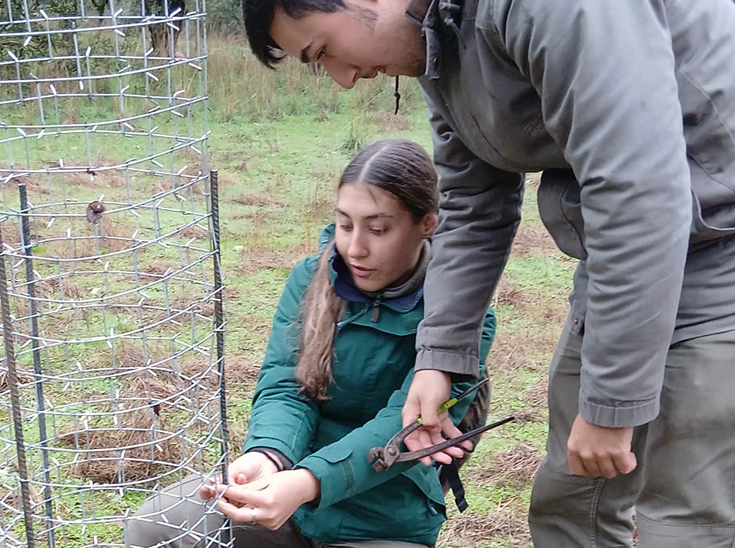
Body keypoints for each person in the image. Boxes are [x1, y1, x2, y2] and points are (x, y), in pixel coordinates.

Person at [242, 0, 735, 547]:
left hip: (718, 245)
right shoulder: (437, 44)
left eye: (324, 51)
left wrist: (614, 400)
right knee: (573, 502)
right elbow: (473, 201)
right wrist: (440, 357)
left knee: (686, 514)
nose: (343, 79)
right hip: (619, 258)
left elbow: (638, 191)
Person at [125, 139, 496, 547]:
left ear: (427, 224)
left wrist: (306, 483)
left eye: (378, 229)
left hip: (384, 518)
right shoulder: (309, 280)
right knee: (154, 528)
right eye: (344, 224)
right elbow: (286, 386)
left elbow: (401, 429)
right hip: (287, 492)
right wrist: (266, 456)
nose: (355, 248)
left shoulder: (463, 319)